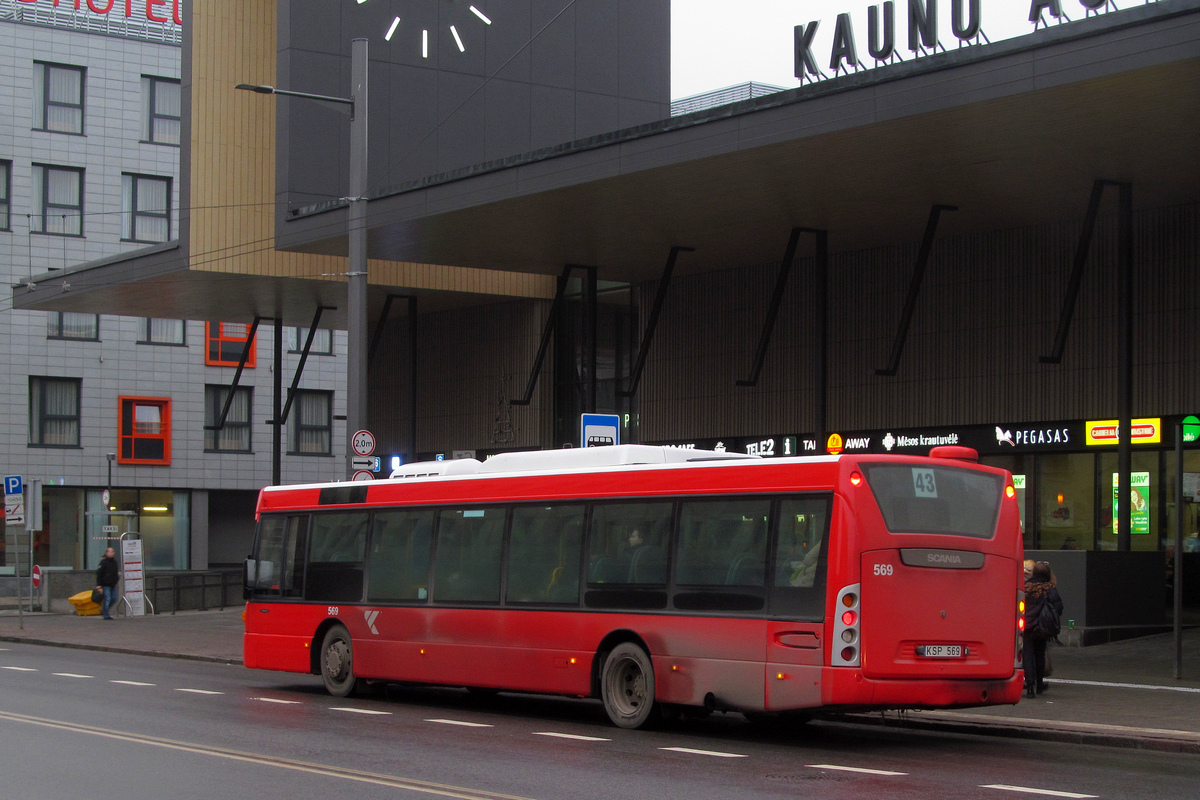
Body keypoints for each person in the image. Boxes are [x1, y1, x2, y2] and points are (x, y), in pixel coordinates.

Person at [1023, 561, 1063, 698]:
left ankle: (1029, 687)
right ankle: (1040, 684)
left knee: (1027, 655)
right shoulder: (1050, 588)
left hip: (1027, 626)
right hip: (1042, 627)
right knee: (1040, 654)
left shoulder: (1026, 587)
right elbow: (1059, 607)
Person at [96, 546, 119, 620]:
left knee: (114, 598)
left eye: (113, 552)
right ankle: (106, 614)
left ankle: (105, 610)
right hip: (105, 584)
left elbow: (115, 572)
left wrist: (116, 580)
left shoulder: (114, 562)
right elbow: (99, 573)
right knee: (107, 599)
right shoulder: (103, 562)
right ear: (107, 553)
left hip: (113, 583)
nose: (112, 553)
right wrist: (99, 584)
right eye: (110, 551)